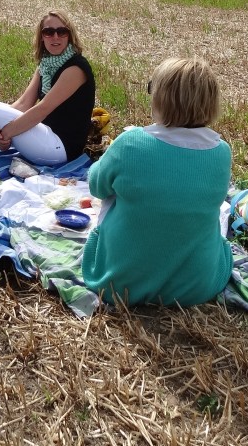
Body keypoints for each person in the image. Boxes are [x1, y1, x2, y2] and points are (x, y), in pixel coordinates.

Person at [82, 57, 233, 307]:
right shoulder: (221, 152)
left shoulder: (130, 144)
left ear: (162, 98)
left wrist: (110, 157)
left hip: (119, 283)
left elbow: (97, 186)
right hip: (198, 284)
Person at [0, 10, 95, 166]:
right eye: (49, 32)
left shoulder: (76, 68)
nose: (55, 37)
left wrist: (5, 131)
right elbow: (24, 103)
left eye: (61, 31)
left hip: (60, 147)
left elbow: (42, 109)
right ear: (42, 37)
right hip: (43, 135)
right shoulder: (46, 65)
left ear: (69, 35)